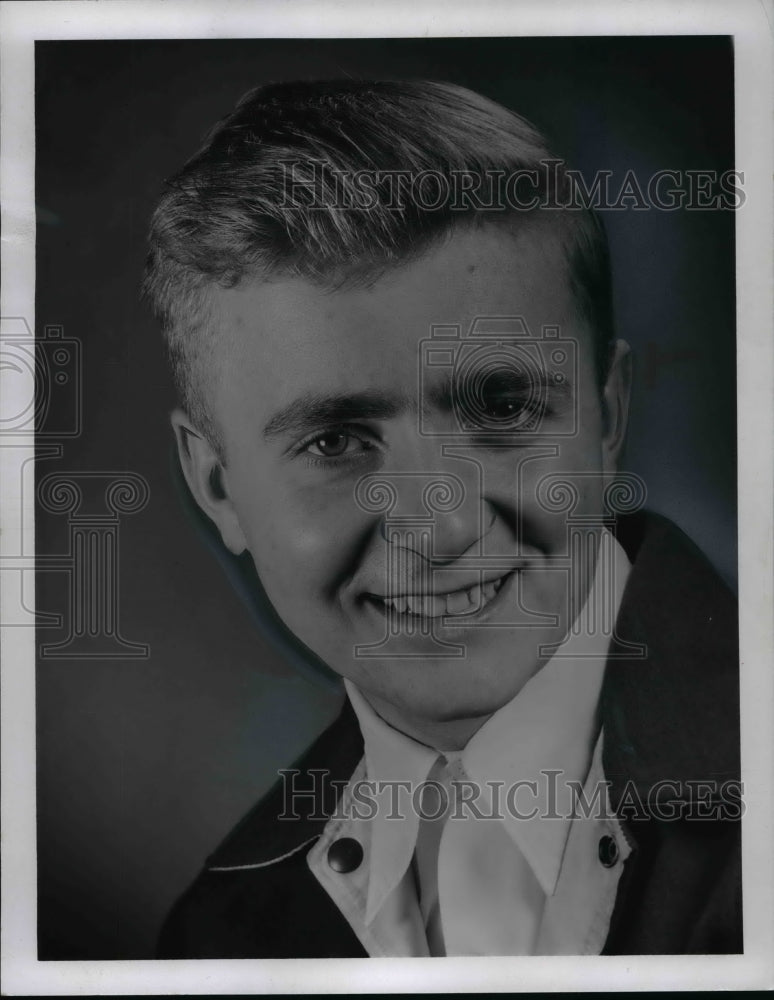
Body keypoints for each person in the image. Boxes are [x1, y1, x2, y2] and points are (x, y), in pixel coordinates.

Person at [143, 79, 741, 957]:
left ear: (608, 417)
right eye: (336, 441)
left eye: (502, 409)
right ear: (218, 488)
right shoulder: (215, 940)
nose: (443, 526)